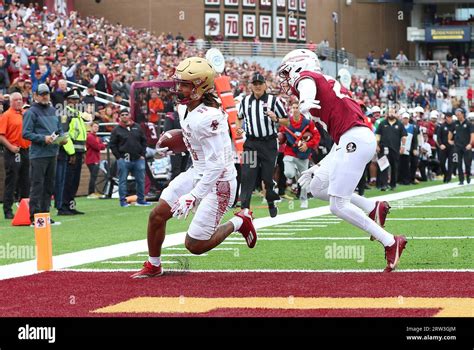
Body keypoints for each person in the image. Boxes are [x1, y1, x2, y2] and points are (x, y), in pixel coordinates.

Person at [278, 49, 407, 272]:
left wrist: (306, 100)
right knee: (317, 187)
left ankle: (390, 241)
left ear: (299, 66)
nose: (287, 80)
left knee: (337, 205)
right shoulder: (325, 81)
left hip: (353, 138)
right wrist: (319, 165)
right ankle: (373, 206)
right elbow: (339, 140)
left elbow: (306, 80)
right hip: (350, 140)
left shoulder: (307, 79)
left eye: (288, 73)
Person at [131, 57, 257, 278]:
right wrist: (174, 145)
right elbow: (191, 137)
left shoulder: (209, 117)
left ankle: (240, 221)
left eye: (185, 84)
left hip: (220, 182)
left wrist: (194, 196)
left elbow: (217, 164)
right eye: (179, 83)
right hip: (197, 171)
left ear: (200, 87)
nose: (179, 89)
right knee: (157, 215)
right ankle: (154, 264)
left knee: (195, 245)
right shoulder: (184, 109)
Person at [236, 72, 288, 217]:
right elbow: (238, 118)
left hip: (269, 144)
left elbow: (286, 120)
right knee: (247, 175)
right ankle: (244, 210)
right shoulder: (245, 101)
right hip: (251, 143)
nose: (258, 86)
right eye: (255, 84)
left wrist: (276, 118)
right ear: (251, 86)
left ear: (265, 85)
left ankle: (271, 202)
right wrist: (239, 128)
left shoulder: (274, 101)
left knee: (267, 177)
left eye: (260, 84)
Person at [22, 84, 67, 224]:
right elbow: (25, 133)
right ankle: (35, 218)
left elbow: (59, 129)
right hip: (38, 154)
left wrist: (62, 139)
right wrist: (43, 138)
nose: (44, 96)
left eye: (46, 93)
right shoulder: (31, 112)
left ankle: (45, 215)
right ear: (35, 95)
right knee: (37, 186)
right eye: (41, 94)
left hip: (52, 153)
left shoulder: (53, 110)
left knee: (48, 186)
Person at [280, 101, 320, 208]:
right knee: (289, 173)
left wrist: (307, 144)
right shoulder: (287, 122)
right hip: (290, 151)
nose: (295, 109)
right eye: (293, 107)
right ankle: (294, 173)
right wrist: (280, 137)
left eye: (297, 107)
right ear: (291, 109)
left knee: (304, 178)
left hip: (303, 153)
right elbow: (281, 133)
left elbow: (317, 136)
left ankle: (303, 198)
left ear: (300, 109)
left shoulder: (308, 122)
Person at [109, 108, 151, 207]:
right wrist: (119, 157)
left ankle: (141, 200)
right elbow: (112, 144)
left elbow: (144, 141)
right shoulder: (116, 130)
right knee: (122, 180)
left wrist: (142, 154)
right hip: (124, 159)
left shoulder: (137, 127)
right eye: (122, 115)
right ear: (119, 117)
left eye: (126, 114)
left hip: (138, 159)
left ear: (129, 115)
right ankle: (122, 201)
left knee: (141, 180)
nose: (124, 116)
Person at [58, 89, 89, 216]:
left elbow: (82, 134)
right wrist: (71, 153)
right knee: (67, 180)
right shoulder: (65, 113)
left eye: (77, 99)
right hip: (70, 152)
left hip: (78, 151)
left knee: (74, 181)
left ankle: (70, 205)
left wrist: (84, 151)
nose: (75, 101)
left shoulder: (77, 114)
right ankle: (63, 207)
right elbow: (64, 134)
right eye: (72, 99)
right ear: (67, 100)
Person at [0, 92, 31, 219]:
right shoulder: (6, 115)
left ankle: (25, 208)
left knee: (25, 180)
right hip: (13, 150)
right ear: (11, 102)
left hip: (25, 150)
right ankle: (7, 209)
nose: (19, 102)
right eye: (16, 100)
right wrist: (11, 147)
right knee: (12, 180)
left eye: (20, 100)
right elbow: (1, 135)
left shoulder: (24, 114)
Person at [376, 107, 407, 191]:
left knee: (394, 166)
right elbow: (378, 135)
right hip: (383, 148)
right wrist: (377, 145)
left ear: (396, 114)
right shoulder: (382, 123)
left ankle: (393, 184)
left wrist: (403, 146)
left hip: (395, 148)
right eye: (390, 112)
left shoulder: (399, 124)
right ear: (387, 114)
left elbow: (404, 136)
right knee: (383, 166)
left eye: (393, 112)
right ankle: (383, 184)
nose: (391, 114)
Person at [452, 108, 474, 185]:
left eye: (459, 114)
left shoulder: (468, 124)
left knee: (467, 163)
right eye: (456, 115)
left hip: (466, 146)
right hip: (457, 146)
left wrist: (470, 144)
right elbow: (450, 132)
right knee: (458, 163)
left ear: (462, 114)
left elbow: (472, 135)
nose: (457, 116)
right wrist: (450, 140)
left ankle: (468, 176)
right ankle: (461, 180)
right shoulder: (455, 123)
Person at [85, 122, 106, 198]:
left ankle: (92, 192)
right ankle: (91, 193)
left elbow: (101, 146)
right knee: (93, 176)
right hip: (91, 159)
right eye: (94, 127)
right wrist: (102, 145)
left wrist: (101, 145)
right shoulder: (90, 137)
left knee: (94, 176)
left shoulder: (97, 137)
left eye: (97, 127)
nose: (96, 128)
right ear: (91, 127)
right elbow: (97, 146)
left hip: (96, 158)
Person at [436, 112, 455, 183]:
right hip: (443, 147)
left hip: (452, 147)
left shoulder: (454, 126)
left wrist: (454, 142)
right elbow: (438, 137)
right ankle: (446, 174)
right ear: (446, 118)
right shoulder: (442, 126)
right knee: (442, 162)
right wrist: (440, 144)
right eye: (448, 117)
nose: (449, 118)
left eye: (450, 117)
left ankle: (448, 178)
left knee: (451, 163)